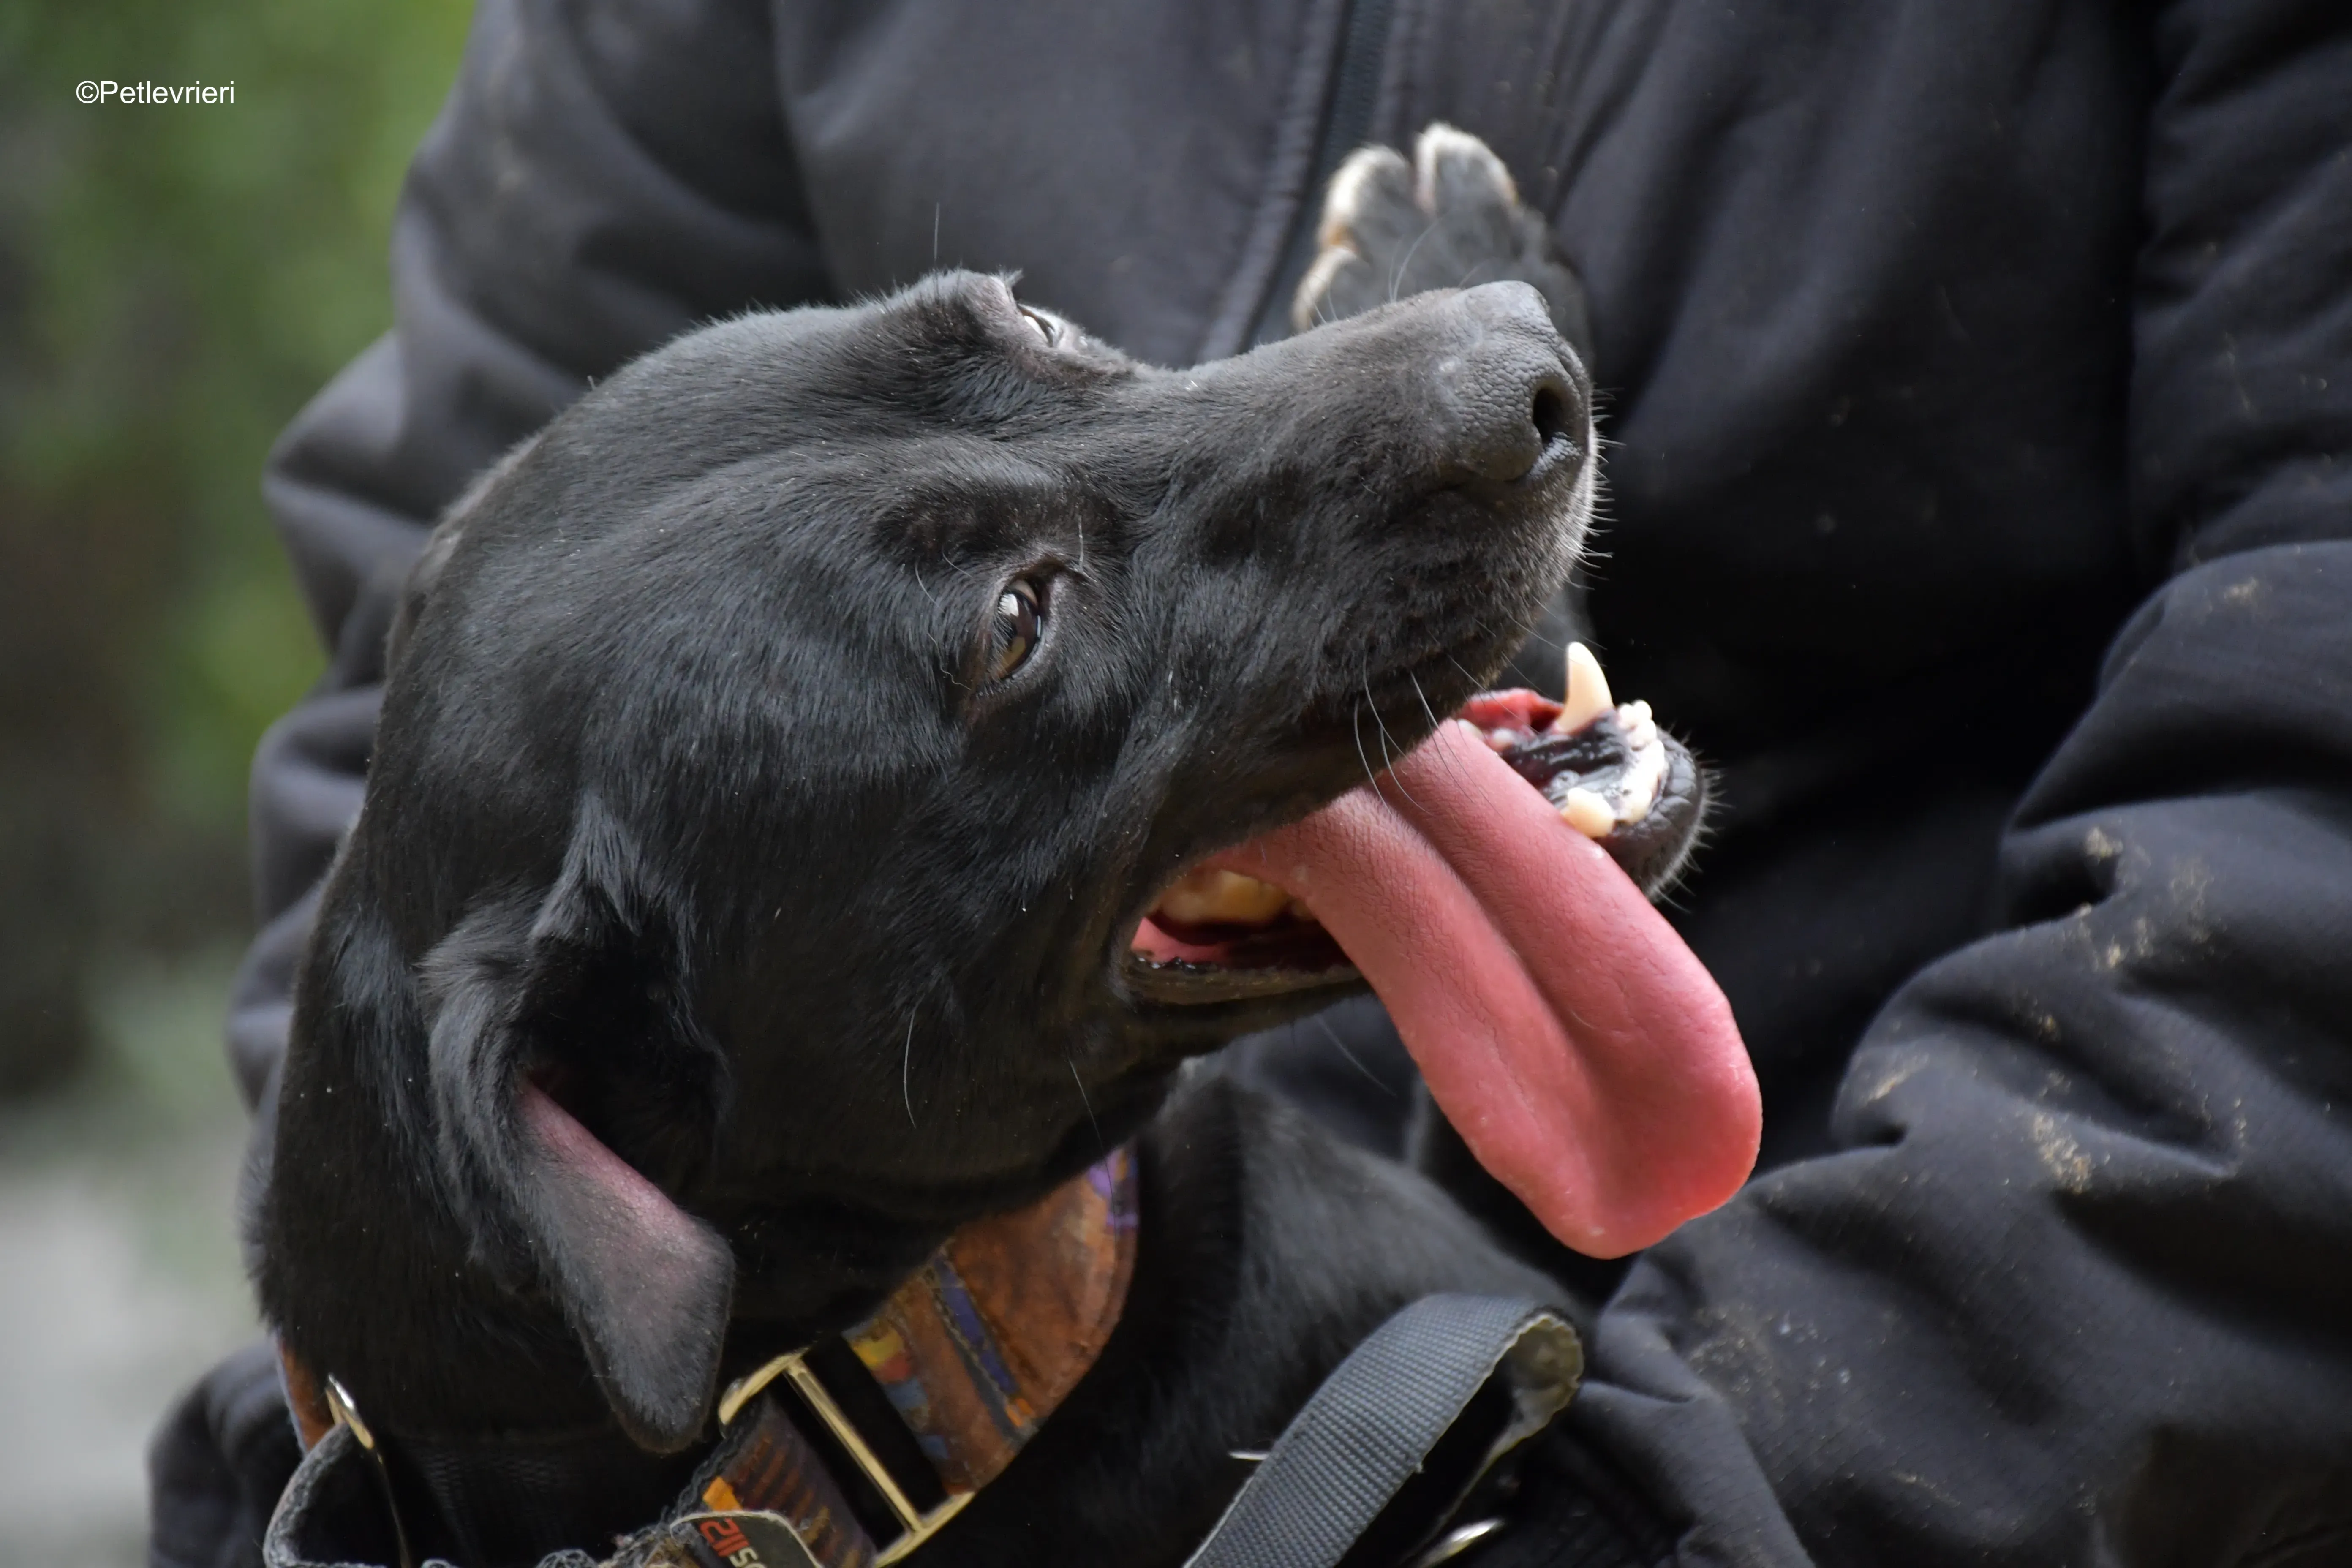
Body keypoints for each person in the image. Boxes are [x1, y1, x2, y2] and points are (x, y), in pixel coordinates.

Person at [153, 2, 2352, 1563]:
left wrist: (1646, 1517)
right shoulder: (559, 1112)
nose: (1488, 371)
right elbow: (447, 696)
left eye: (1021, 324)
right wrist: (407, 1420)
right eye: (1008, 618)